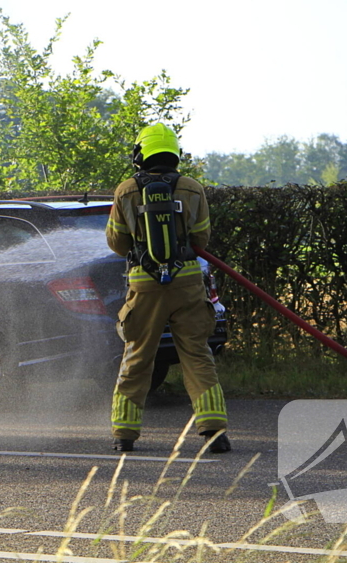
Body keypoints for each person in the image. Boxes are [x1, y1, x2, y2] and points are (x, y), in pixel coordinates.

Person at [105, 123, 230, 453]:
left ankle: (124, 435)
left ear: (140, 154)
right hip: (187, 284)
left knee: (137, 356)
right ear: (174, 153)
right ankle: (214, 432)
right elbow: (201, 239)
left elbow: (117, 243)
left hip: (144, 286)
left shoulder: (125, 190)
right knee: (197, 356)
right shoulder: (192, 188)